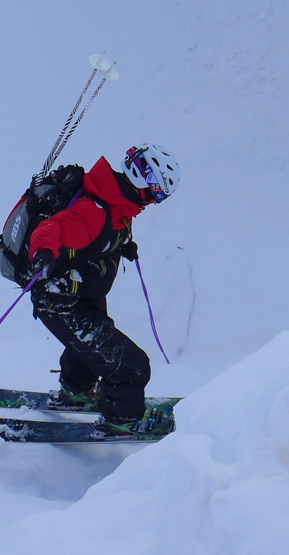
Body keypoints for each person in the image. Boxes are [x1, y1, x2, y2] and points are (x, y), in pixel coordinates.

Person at [27, 144, 179, 434]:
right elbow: (51, 230)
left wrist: (121, 244)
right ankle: (122, 421)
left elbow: (98, 232)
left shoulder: (114, 198)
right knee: (131, 369)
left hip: (78, 294)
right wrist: (44, 252)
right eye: (158, 194)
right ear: (143, 183)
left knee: (90, 346)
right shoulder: (95, 211)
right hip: (59, 301)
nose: (156, 202)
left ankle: (77, 392)